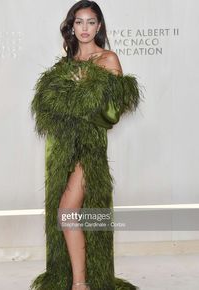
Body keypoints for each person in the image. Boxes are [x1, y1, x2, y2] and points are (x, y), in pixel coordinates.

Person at [30, 1, 143, 289]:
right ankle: (76, 280)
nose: (84, 28)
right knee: (66, 214)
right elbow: (48, 108)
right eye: (78, 22)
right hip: (62, 150)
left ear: (99, 26)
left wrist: (81, 94)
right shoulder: (65, 66)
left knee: (67, 210)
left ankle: (80, 284)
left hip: (89, 151)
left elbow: (111, 114)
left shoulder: (108, 59)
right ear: (71, 26)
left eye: (90, 22)